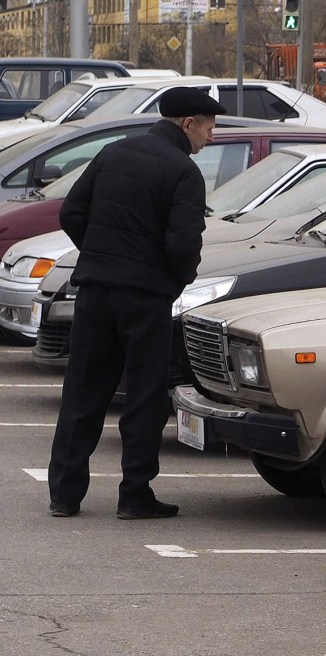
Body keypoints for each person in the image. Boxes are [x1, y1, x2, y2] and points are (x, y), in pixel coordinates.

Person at [47, 87, 226, 519]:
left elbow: (71, 212)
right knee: (144, 396)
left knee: (83, 392)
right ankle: (134, 494)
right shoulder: (183, 171)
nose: (211, 136)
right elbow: (184, 243)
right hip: (145, 298)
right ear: (188, 124)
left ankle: (65, 496)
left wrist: (103, 255)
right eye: (209, 125)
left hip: (94, 290)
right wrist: (173, 282)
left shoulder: (113, 152)